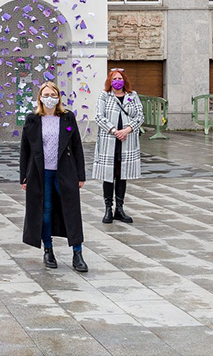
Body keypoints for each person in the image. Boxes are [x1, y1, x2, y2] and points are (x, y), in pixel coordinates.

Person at [20, 81, 88, 273]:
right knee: (46, 211)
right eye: (46, 94)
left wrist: (80, 175)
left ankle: (77, 253)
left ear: (58, 97)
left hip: (65, 171)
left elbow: (77, 147)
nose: (50, 98)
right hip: (41, 173)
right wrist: (23, 176)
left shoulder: (67, 118)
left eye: (53, 94)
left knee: (72, 210)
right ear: (40, 97)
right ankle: (48, 250)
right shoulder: (32, 119)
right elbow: (25, 150)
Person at [92, 69, 145, 225]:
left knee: (122, 175)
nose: (117, 81)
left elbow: (140, 116)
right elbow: (99, 117)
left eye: (119, 78)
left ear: (124, 80)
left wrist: (127, 129)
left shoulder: (132, 96)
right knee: (109, 175)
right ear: (110, 80)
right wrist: (114, 131)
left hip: (127, 141)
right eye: (114, 78)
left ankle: (119, 209)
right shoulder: (104, 96)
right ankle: (108, 208)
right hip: (109, 141)